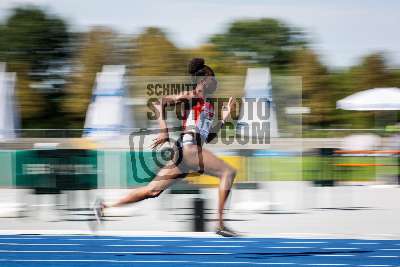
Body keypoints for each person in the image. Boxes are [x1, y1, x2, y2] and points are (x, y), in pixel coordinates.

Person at [94, 58, 238, 237]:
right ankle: (220, 224)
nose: (216, 82)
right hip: (189, 149)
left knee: (152, 191)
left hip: (187, 155)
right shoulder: (192, 95)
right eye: (212, 78)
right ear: (202, 81)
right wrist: (164, 130)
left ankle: (105, 206)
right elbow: (159, 102)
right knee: (228, 172)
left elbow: (209, 138)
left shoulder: (209, 107)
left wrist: (224, 118)